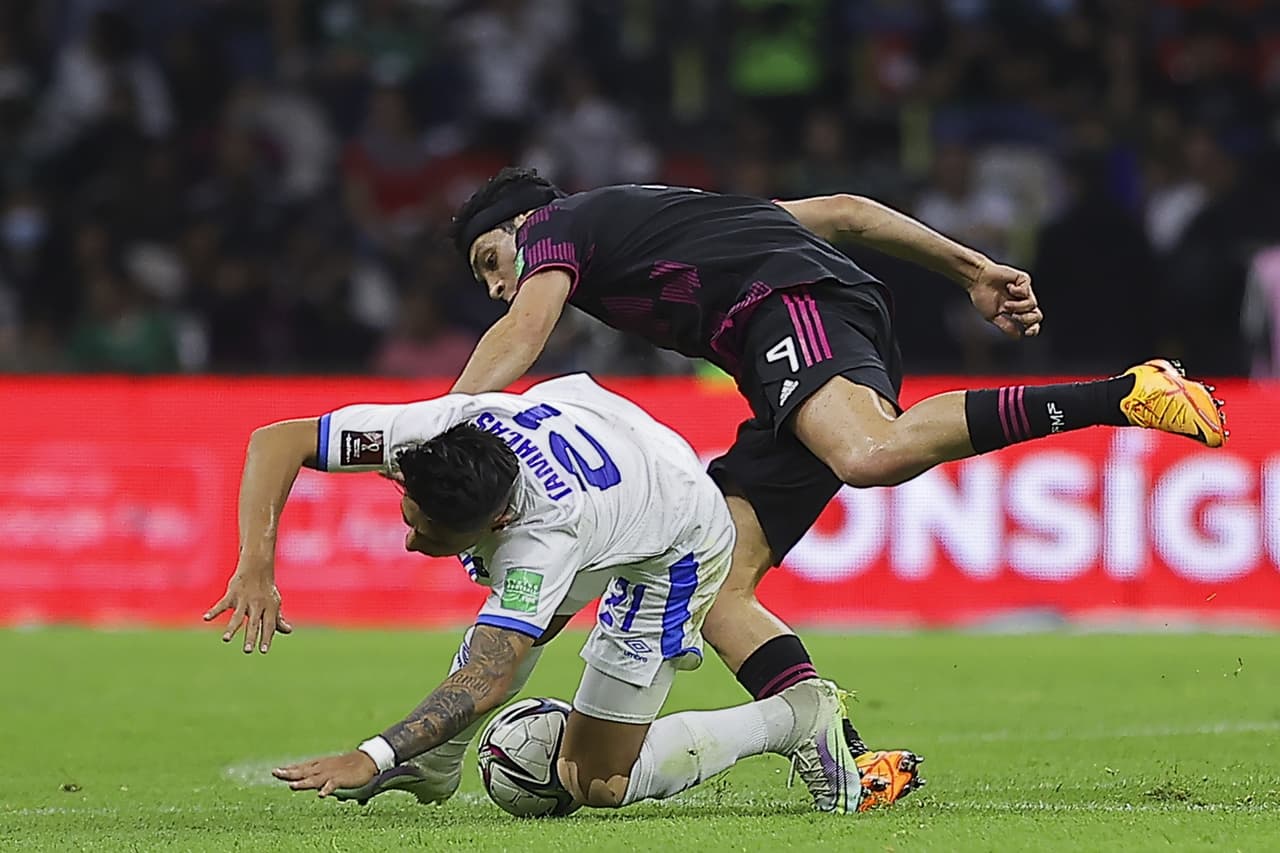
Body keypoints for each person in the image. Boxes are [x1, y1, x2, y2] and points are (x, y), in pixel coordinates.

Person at [441, 167, 1229, 809]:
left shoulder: (554, 225)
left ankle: (1124, 392)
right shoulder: (671, 217)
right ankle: (845, 757)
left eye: (489, 263)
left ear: (523, 226)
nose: (496, 288)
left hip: (791, 309)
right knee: (714, 586)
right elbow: (847, 211)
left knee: (869, 453)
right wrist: (976, 270)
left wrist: (439, 431)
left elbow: (522, 335)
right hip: (779, 360)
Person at [205, 374, 899, 813]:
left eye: (430, 534)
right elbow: (278, 439)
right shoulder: (436, 430)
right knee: (514, 622)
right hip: (601, 430)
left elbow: (490, 673)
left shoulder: (543, 539)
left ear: (498, 520)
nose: (411, 543)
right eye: (408, 515)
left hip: (675, 531)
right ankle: (439, 765)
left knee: (596, 781)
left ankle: (795, 716)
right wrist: (257, 562)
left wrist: (376, 751)